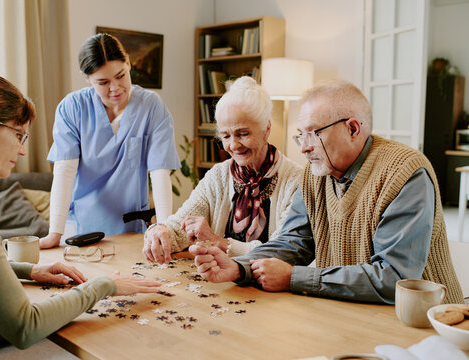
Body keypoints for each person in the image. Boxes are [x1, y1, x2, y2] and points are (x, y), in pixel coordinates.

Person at [0, 72, 161, 360]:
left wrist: (28, 270)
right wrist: (103, 286)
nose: (23, 150)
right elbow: (24, 327)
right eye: (18, 135)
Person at [191, 79, 464, 304]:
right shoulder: (314, 175)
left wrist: (293, 278)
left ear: (353, 129)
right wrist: (239, 267)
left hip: (427, 323)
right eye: (301, 135)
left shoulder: (406, 172)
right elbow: (292, 243)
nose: (303, 147)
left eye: (313, 133)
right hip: (353, 315)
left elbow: (394, 279)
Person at [40, 33, 180, 248]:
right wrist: (54, 234)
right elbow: (64, 170)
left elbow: (160, 171)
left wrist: (164, 228)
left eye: (121, 75)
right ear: (86, 78)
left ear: (129, 64)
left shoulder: (151, 106)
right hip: (81, 225)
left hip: (130, 227)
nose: (115, 88)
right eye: (103, 82)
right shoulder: (72, 108)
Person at [143, 76, 302, 264]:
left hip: (272, 288)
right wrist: (160, 231)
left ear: (266, 128)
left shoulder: (296, 180)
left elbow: (283, 252)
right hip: (221, 283)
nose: (233, 145)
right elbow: (180, 227)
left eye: (243, 134)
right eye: (225, 136)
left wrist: (217, 241)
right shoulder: (218, 175)